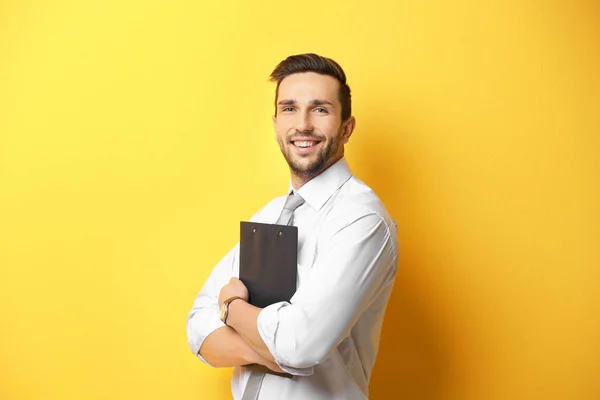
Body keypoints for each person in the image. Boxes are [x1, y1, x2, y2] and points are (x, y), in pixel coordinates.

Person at [186, 53, 399, 400]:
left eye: (320, 109)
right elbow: (198, 327)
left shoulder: (362, 220)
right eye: (289, 108)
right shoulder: (267, 217)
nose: (302, 124)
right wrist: (272, 355)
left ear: (347, 127)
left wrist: (232, 308)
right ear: (275, 125)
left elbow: (300, 345)